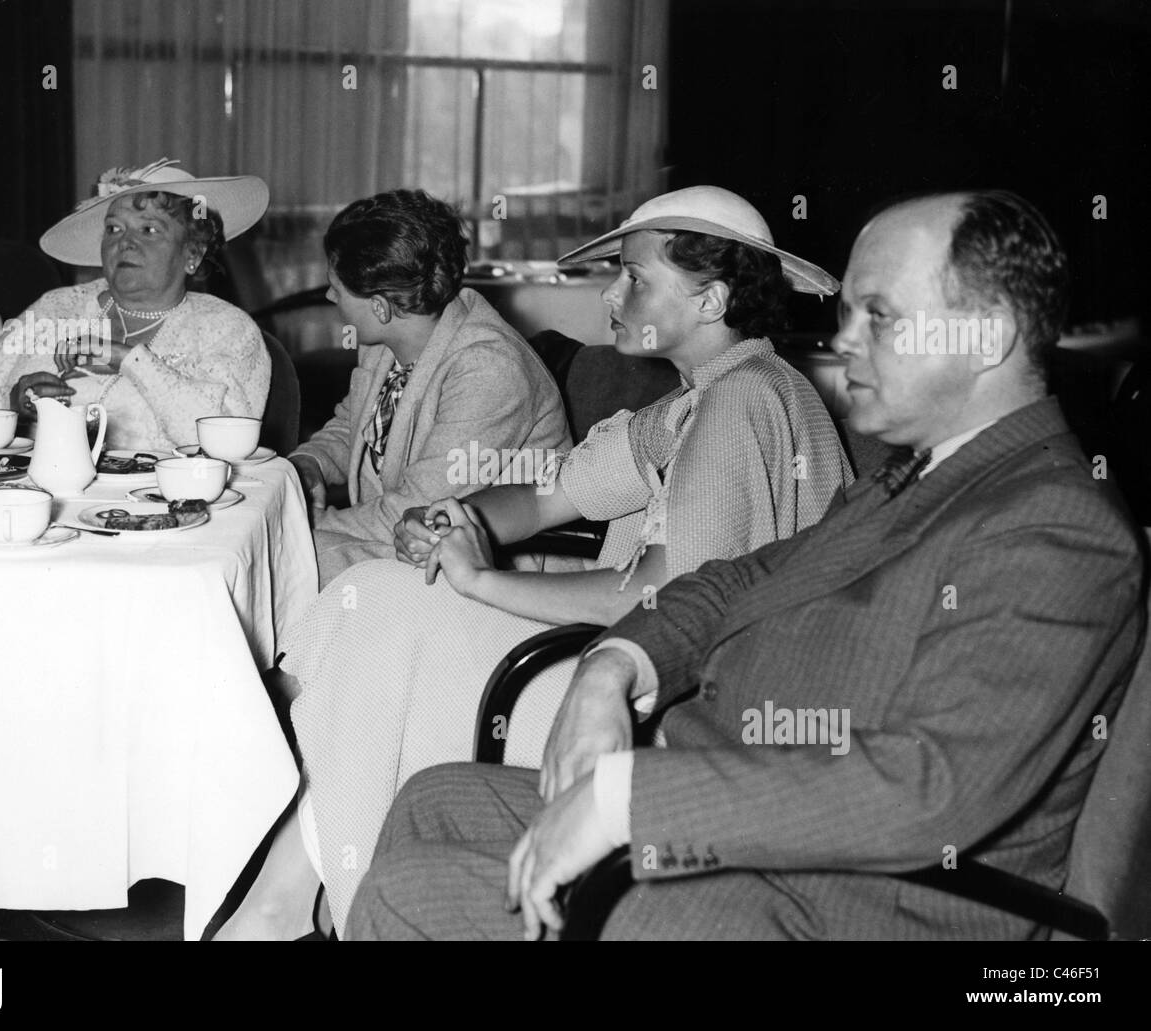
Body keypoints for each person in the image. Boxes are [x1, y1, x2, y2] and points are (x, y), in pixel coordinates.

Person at [345, 190, 1146, 941]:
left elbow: (926, 792)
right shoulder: (921, 474)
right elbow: (737, 578)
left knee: (403, 893)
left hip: (844, 900)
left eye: (881, 316)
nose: (844, 341)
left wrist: (630, 800)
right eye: (848, 313)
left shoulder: (1057, 525)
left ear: (989, 335)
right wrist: (614, 665)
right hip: (755, 830)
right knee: (435, 800)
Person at [217, 186, 852, 939]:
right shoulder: (701, 397)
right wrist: (463, 516)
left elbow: (660, 599)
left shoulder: (743, 403)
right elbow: (555, 491)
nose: (612, 294)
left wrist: (485, 578)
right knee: (372, 598)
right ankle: (298, 898)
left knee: (379, 615)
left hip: (664, 708)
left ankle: (312, 905)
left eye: (635, 278)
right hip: (621, 668)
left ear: (711, 301)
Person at [285, 189, 570, 586]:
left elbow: (421, 507)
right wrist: (309, 465)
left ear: (381, 308)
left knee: (284, 566)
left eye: (337, 286)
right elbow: (350, 425)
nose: (330, 295)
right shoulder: (387, 343)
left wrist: (302, 524)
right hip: (405, 541)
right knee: (278, 562)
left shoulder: (488, 368)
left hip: (492, 568)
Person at [0, 158, 270, 450]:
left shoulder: (227, 329)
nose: (124, 243)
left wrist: (130, 360)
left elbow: (226, 444)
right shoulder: (56, 310)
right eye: (113, 229)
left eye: (150, 230)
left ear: (192, 254)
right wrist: (10, 400)